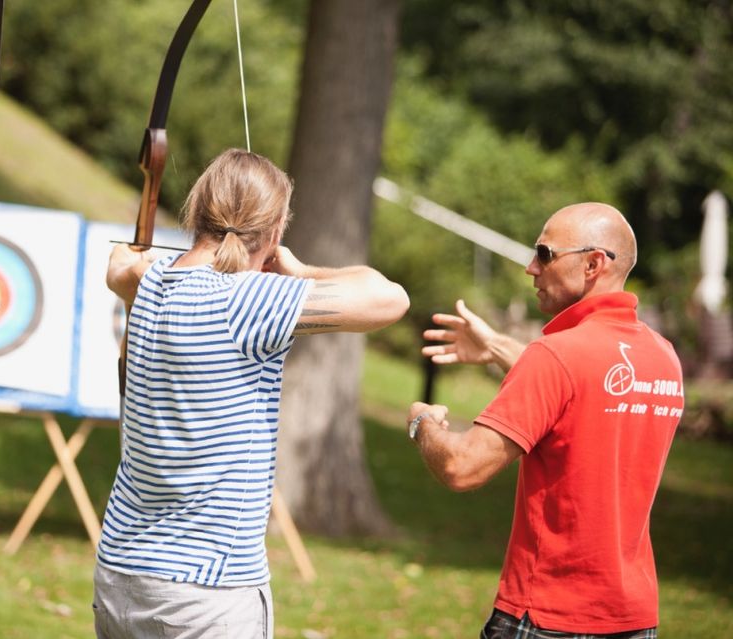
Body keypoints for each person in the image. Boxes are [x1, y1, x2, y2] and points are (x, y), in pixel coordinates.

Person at [96, 148, 409, 638]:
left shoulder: (149, 283)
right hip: (205, 594)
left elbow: (120, 269)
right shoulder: (248, 301)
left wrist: (129, 263)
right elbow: (389, 298)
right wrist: (301, 271)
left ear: (197, 209)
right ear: (276, 229)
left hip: (121, 573)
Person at [411, 202, 683, 639]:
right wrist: (499, 346)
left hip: (546, 617)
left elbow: (461, 467)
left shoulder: (554, 356)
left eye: (544, 253)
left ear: (594, 263)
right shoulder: (664, 358)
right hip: (633, 620)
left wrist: (422, 423)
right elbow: (582, 391)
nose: (530, 267)